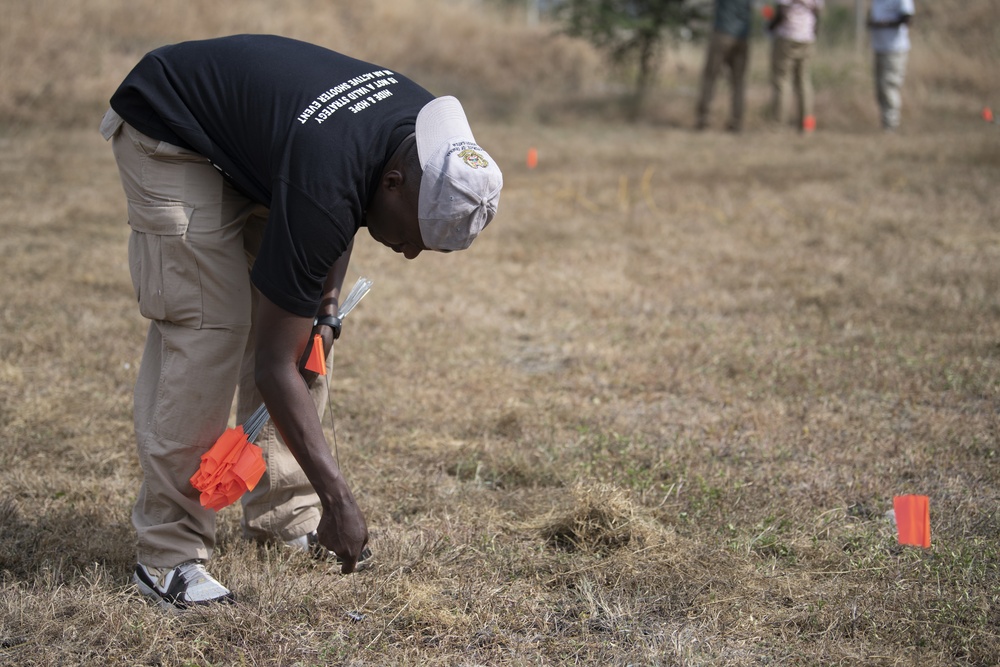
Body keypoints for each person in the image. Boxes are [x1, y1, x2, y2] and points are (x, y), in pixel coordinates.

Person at [100, 35, 503, 610]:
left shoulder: (418, 139)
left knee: (308, 333)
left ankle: (284, 517)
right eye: (413, 238)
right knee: (210, 328)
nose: (409, 253)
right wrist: (342, 498)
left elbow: (345, 205)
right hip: (173, 123)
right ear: (396, 184)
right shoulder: (331, 175)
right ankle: (168, 557)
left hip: (271, 150)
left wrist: (328, 302)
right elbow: (272, 365)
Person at [695, 0, 753, 133]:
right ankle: (737, 122)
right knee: (738, 82)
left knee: (710, 77)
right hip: (742, 37)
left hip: (722, 33)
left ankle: (704, 120)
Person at [768, 0, 823, 133]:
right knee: (804, 81)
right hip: (807, 36)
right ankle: (807, 126)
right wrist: (813, 31)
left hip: (787, 36)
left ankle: (779, 125)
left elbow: (781, 10)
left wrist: (770, 27)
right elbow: (818, 11)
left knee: (782, 81)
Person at [868, 0, 914, 131]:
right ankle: (885, 123)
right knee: (880, 89)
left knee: (890, 86)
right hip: (879, 47)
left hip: (895, 48)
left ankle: (891, 127)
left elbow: (907, 19)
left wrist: (884, 24)